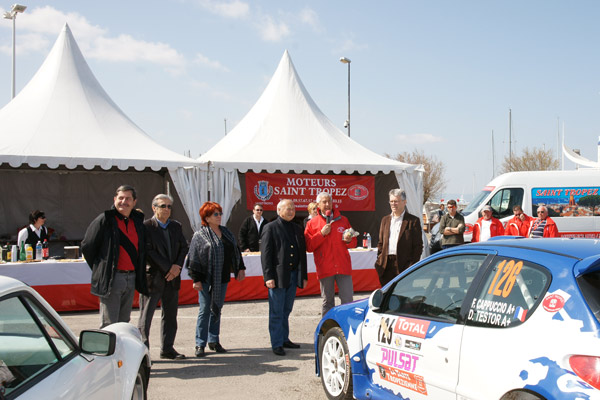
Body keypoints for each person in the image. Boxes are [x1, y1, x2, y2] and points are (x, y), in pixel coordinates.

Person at [81, 185, 148, 328]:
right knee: (109, 324)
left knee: (124, 324)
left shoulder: (137, 221)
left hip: (131, 277)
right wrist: (102, 267)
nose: (124, 201)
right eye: (121, 198)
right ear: (114, 199)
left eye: (128, 198)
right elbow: (88, 246)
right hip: (113, 278)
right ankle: (109, 351)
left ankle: (120, 351)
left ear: (134, 202)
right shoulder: (105, 219)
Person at [186, 201, 246, 357]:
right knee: (205, 310)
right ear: (207, 217)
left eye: (220, 213)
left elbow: (235, 251)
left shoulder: (226, 232)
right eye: (216, 214)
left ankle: (214, 340)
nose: (219, 216)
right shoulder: (200, 235)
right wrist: (196, 279)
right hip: (205, 278)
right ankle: (200, 343)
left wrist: (240, 268)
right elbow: (194, 258)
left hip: (222, 277)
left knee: (217, 308)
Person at [137, 194, 189, 360]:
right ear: (154, 208)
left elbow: (183, 247)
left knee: (170, 315)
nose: (166, 209)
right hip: (153, 278)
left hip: (173, 278)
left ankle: (167, 348)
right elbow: (148, 251)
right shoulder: (146, 227)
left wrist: (177, 267)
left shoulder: (176, 226)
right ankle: (143, 353)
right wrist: (168, 268)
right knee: (146, 318)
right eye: (162, 206)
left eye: (168, 206)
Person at [260, 199, 308, 356]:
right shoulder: (270, 228)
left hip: (293, 275)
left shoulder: (296, 228)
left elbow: (302, 255)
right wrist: (268, 277)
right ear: (279, 210)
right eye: (288, 208)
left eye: (293, 208)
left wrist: (303, 275)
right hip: (278, 277)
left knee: (286, 309)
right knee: (276, 311)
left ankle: (284, 338)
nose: (292, 211)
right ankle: (277, 343)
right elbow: (266, 255)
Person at [304, 192, 357, 316]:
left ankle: (347, 325)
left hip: (343, 266)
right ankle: (327, 328)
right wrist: (321, 234)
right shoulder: (312, 223)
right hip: (325, 267)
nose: (327, 204)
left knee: (348, 300)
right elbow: (309, 247)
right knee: (328, 302)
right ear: (318, 204)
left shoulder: (343, 220)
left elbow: (354, 242)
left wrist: (349, 240)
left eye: (329, 201)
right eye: (324, 202)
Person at [375, 189, 423, 286]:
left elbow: (418, 246)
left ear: (404, 202)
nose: (393, 204)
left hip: (404, 266)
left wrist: (411, 266)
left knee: (403, 296)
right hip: (386, 265)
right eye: (391, 201)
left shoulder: (413, 221)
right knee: (387, 296)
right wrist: (379, 260)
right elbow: (381, 243)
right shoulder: (385, 220)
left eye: (396, 201)